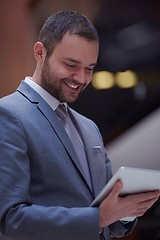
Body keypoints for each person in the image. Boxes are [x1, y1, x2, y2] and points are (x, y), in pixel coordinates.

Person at [0, 10, 159, 240]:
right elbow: (11, 219)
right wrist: (99, 218)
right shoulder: (8, 114)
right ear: (40, 52)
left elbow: (108, 222)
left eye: (89, 68)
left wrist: (125, 211)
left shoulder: (89, 128)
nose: (82, 78)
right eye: (71, 65)